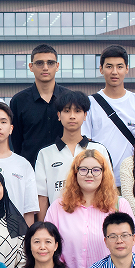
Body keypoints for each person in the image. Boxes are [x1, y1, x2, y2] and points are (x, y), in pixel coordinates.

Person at [44, 149, 135, 268]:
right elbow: (47, 246)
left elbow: (130, 247)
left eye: (96, 170)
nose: (89, 174)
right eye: (83, 169)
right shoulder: (58, 207)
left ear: (104, 173)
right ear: (75, 173)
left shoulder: (120, 206)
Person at [84, 46, 135, 187]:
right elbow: (85, 144)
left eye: (119, 67)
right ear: (101, 69)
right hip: (100, 182)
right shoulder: (89, 103)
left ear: (127, 69)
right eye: (109, 66)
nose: (114, 72)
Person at [34, 90, 103, 218]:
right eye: (67, 111)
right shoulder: (45, 154)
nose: (72, 116)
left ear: (85, 115)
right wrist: (42, 226)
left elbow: (108, 189)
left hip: (94, 219)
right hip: (58, 220)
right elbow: (42, 197)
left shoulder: (99, 150)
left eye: (77, 111)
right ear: (59, 115)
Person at [9, 43, 64, 166]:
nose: (45, 67)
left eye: (50, 63)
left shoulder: (69, 99)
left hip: (65, 168)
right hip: (29, 168)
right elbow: (16, 141)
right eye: (39, 63)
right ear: (31, 66)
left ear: (57, 66)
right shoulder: (18, 101)